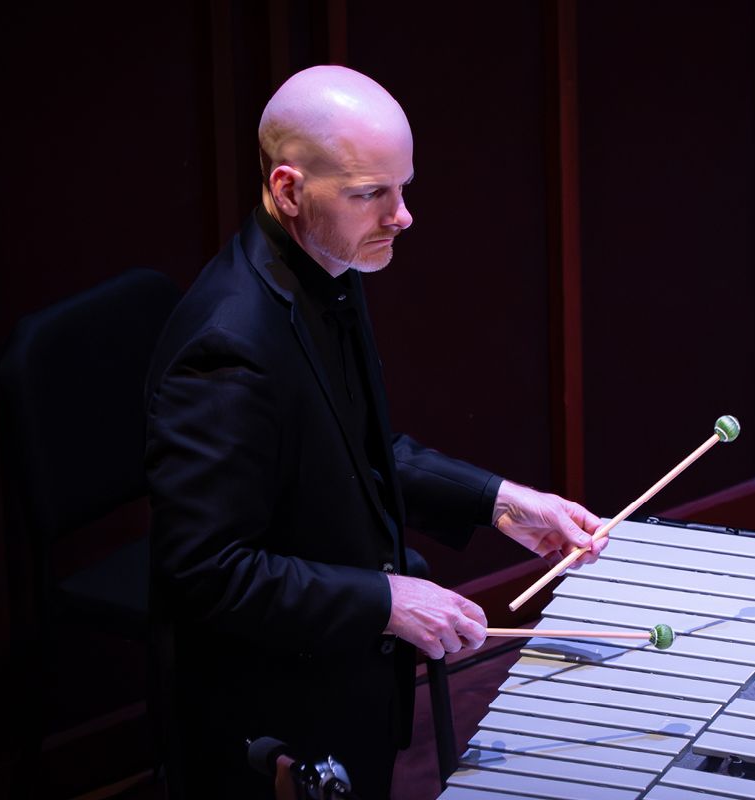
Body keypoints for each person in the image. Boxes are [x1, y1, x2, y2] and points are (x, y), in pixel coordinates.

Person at [144, 65, 606, 799]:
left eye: (403, 187)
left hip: (342, 663)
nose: (403, 216)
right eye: (371, 195)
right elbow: (206, 572)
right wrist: (385, 602)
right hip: (272, 703)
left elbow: (362, 453)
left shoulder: (326, 264)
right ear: (289, 190)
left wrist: (502, 502)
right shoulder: (228, 348)